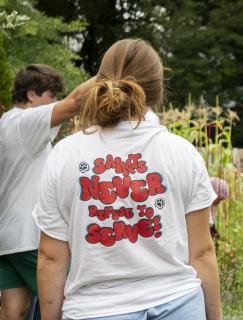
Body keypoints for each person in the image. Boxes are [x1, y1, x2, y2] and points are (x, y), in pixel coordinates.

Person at [33, 39, 222, 320]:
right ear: (157, 91)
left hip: (95, 310)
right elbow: (202, 252)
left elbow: (51, 257)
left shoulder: (65, 154)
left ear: (99, 81)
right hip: (179, 304)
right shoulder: (182, 152)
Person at [0, 64, 94, 320]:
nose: (56, 102)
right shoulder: (25, 122)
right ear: (32, 95)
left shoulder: (6, 123)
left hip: (7, 241)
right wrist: (113, 67)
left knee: (13, 312)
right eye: (51, 96)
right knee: (74, 303)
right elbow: (75, 101)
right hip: (29, 237)